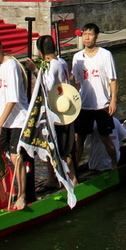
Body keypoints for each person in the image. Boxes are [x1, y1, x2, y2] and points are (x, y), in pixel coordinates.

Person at [0, 32, 30, 211]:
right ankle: (10, 191)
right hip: (1, 118)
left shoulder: (11, 66)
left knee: (16, 157)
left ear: (0, 48)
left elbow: (12, 100)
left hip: (17, 118)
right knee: (2, 156)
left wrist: (0, 123)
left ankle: (23, 195)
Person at [26, 34, 77, 191]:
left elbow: (47, 86)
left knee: (63, 149)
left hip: (60, 111)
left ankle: (73, 180)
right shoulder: (60, 61)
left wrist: (35, 70)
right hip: (54, 111)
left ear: (41, 53)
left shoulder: (54, 64)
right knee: (50, 146)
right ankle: (51, 179)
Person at [71, 23, 118, 169]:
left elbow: (113, 80)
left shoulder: (105, 55)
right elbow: (76, 83)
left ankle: (115, 164)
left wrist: (113, 101)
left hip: (102, 104)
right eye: (84, 34)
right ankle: (74, 172)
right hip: (84, 104)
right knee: (80, 139)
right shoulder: (77, 57)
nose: (87, 37)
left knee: (105, 137)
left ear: (96, 36)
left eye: (90, 34)